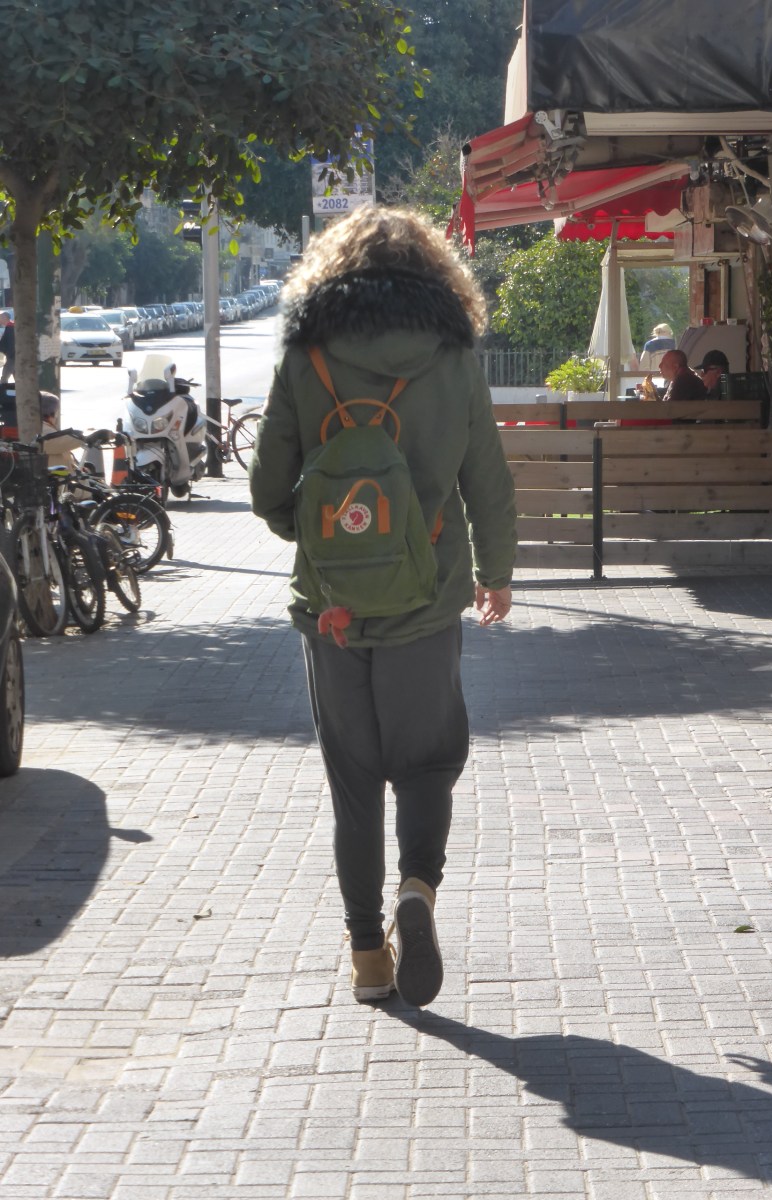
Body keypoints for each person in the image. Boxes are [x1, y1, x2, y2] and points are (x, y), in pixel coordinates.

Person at [249, 206, 518, 1009]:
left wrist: (326, 538)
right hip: (427, 599)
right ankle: (418, 889)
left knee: (354, 780)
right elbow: (486, 478)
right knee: (427, 762)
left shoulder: (305, 354)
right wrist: (496, 574)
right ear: (436, 274)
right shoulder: (453, 357)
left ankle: (369, 956)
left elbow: (267, 491)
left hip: (331, 608)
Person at [0, 313, 15, 386]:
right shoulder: (10, 327)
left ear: (5, 318)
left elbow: (11, 343)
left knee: (4, 377)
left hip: (12, 357)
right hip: (13, 356)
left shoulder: (10, 327)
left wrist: (9, 355)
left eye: (0, 318)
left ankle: (2, 391)